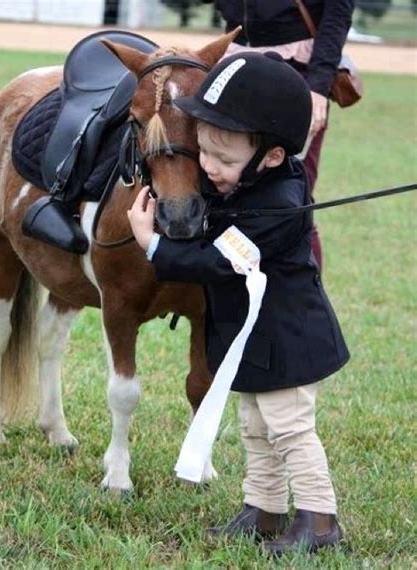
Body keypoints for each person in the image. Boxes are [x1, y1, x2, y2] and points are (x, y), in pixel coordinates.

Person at [127, 52, 349, 555]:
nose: (209, 168)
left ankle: (319, 522)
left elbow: (214, 262)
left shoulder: (279, 207)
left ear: (270, 156)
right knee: (254, 427)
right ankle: (263, 510)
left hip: (286, 341)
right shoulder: (246, 180)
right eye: (204, 153)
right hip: (251, 342)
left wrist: (152, 245)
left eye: (223, 161)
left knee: (289, 429)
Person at [203, 0, 355, 271]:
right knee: (220, 193)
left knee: (292, 199)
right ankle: (223, 294)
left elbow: (337, 14)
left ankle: (302, 297)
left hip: (296, 75)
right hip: (236, 65)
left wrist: (318, 86)